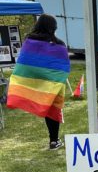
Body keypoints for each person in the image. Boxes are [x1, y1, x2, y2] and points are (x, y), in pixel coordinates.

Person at [6, 14, 70, 150]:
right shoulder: (59, 44)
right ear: (53, 27)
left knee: (46, 107)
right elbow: (63, 65)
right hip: (53, 82)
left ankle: (54, 140)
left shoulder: (29, 41)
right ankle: (54, 140)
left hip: (33, 82)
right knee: (53, 109)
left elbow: (24, 63)